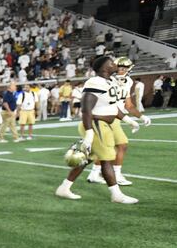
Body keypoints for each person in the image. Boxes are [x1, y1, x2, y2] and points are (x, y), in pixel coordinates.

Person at [55, 56, 139, 204]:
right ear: (104, 68)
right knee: (107, 159)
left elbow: (112, 107)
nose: (115, 65)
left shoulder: (110, 81)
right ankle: (116, 195)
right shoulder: (94, 82)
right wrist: (89, 133)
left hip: (103, 124)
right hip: (95, 125)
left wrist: (127, 120)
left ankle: (64, 188)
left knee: (87, 158)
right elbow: (86, 109)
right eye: (111, 63)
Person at [86, 57, 152, 185]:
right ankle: (116, 175)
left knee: (108, 147)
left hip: (115, 116)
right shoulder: (108, 80)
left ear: (129, 69)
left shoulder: (128, 82)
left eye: (124, 68)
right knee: (121, 145)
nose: (121, 70)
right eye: (119, 67)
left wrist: (142, 116)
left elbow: (128, 105)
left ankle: (94, 173)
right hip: (106, 116)